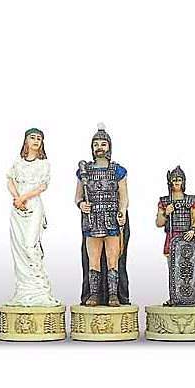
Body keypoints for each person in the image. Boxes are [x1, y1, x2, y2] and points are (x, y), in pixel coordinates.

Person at [75, 123, 130, 306]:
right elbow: (78, 197)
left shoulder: (117, 170)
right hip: (92, 221)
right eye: (96, 144)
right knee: (93, 260)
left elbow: (123, 196)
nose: (100, 147)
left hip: (111, 218)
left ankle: (113, 295)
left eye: (103, 144)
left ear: (109, 147)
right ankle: (94, 295)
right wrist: (81, 204)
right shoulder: (85, 172)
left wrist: (122, 211)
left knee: (113, 260)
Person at [6, 128, 60, 307]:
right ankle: (24, 289)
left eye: (39, 138)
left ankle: (38, 287)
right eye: (32, 137)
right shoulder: (17, 162)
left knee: (30, 245)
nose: (36, 141)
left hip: (33, 205)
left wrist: (23, 198)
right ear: (26, 141)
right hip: (17, 208)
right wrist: (17, 198)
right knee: (19, 248)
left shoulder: (43, 164)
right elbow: (10, 181)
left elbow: (42, 186)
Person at [156, 165, 195, 306]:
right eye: (174, 179)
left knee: (188, 269)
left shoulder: (190, 200)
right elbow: (159, 223)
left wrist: (192, 230)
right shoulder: (165, 201)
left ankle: (187, 298)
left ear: (183, 181)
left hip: (187, 238)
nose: (176, 182)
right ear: (170, 181)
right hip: (172, 237)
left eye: (179, 179)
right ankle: (174, 298)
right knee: (173, 269)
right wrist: (166, 213)